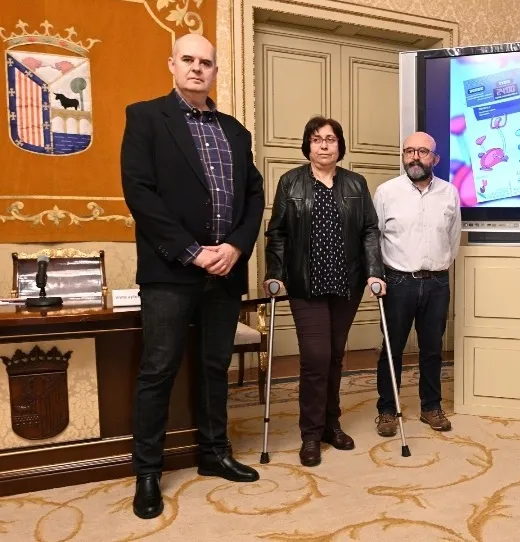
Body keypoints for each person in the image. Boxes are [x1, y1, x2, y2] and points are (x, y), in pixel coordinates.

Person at [121, 34, 265, 520]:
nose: (197, 68)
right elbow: (140, 194)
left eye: (206, 62)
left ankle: (214, 452)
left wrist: (236, 247)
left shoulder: (235, 131)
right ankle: (147, 472)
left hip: (225, 271)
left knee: (213, 366)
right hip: (170, 271)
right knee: (158, 369)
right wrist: (192, 252)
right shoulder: (146, 118)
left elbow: (253, 197)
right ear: (172, 64)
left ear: (215, 71)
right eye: (188, 59)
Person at [264, 116, 386, 467]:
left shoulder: (355, 183)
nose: (323, 145)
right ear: (308, 145)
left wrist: (374, 272)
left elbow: (369, 230)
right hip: (306, 285)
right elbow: (278, 232)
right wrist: (275, 273)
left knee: (333, 356)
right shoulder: (291, 182)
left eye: (330, 139)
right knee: (315, 357)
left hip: (346, 285)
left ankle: (332, 425)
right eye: (317, 139)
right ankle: (310, 433)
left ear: (339, 145)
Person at [372, 132, 461, 437]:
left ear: (435, 158)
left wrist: (439, 266)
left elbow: (453, 238)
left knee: (432, 349)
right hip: (397, 282)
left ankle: (431, 407)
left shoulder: (449, 193)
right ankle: (387, 410)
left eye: (422, 152)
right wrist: (378, 275)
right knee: (392, 349)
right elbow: (374, 238)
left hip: (437, 282)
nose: (414, 157)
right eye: (409, 151)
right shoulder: (386, 192)